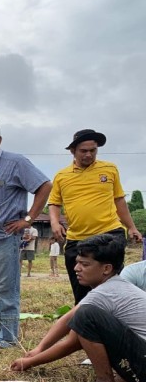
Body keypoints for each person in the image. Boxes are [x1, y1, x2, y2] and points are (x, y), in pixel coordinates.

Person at [11, 234, 145, 382]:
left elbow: (68, 325)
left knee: (85, 314)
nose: (76, 268)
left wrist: (35, 356)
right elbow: (74, 340)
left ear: (106, 269)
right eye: (77, 262)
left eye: (84, 264)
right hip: (140, 358)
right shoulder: (114, 287)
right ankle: (129, 381)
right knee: (85, 315)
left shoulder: (105, 293)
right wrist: (35, 356)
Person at [0, 122, 52, 348]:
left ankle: (8, 337)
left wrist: (28, 219)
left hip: (4, 237)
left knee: (6, 288)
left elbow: (45, 186)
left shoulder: (16, 163)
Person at [50, 129, 143, 303]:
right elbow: (54, 203)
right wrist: (54, 222)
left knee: (113, 289)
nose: (88, 154)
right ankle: (86, 325)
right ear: (73, 151)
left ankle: (116, 324)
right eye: (83, 151)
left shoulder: (110, 169)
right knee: (82, 293)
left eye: (93, 150)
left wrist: (131, 227)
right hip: (77, 239)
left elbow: (119, 200)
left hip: (109, 235)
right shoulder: (61, 176)